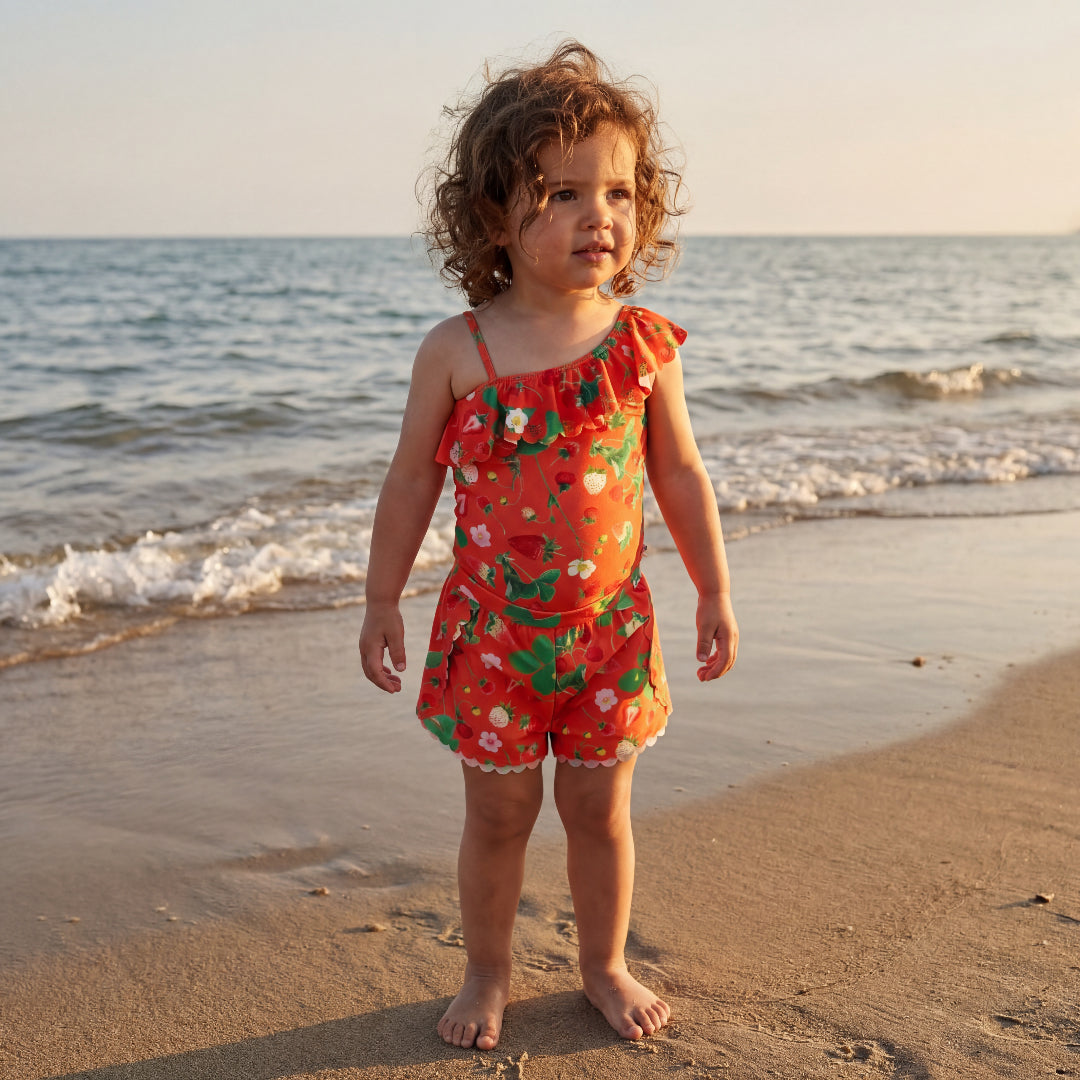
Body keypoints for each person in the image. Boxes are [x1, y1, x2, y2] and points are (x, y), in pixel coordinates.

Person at [358, 40, 738, 1052]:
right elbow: (411, 480)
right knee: (498, 817)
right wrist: (380, 598)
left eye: (616, 191)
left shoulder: (640, 346)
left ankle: (603, 964)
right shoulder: (459, 350)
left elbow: (680, 477)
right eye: (562, 193)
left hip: (609, 631)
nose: (597, 216)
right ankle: (487, 971)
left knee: (598, 814)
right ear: (495, 213)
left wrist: (712, 589)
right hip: (492, 638)